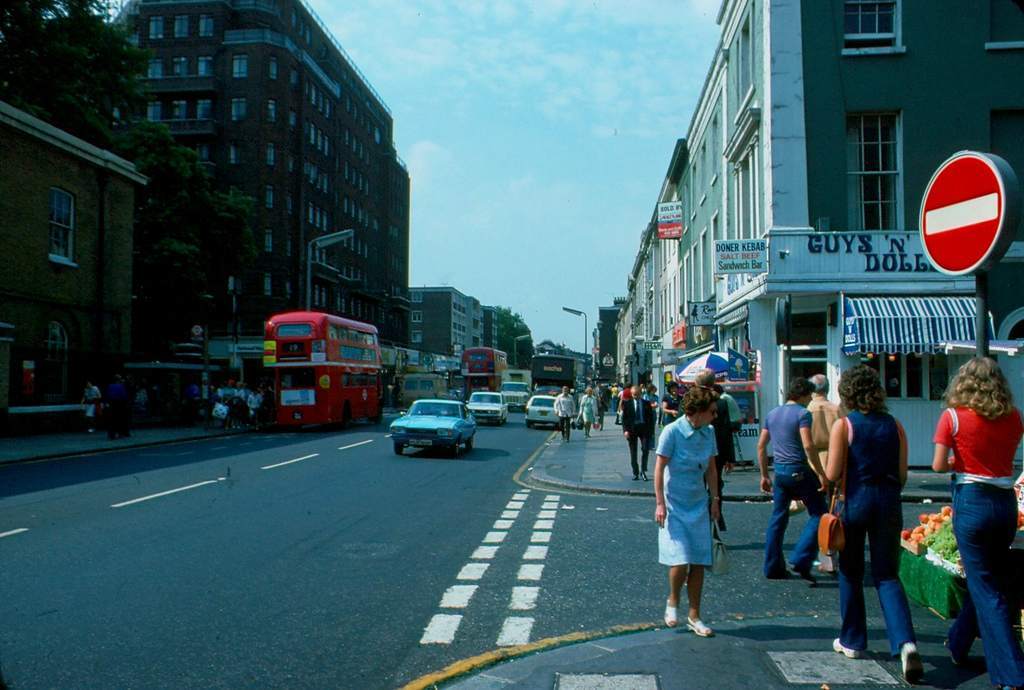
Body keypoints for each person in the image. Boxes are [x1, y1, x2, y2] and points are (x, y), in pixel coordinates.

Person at [824, 365, 922, 682]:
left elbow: (832, 473)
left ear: (847, 394)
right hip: (888, 502)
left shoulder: (845, 425)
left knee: (852, 571)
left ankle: (852, 639)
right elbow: (903, 474)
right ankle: (905, 643)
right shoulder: (895, 425)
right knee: (887, 575)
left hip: (855, 501)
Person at [931, 357, 1024, 688]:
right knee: (988, 579)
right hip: (1004, 503)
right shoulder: (1014, 417)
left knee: (987, 587)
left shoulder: (952, 417)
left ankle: (1012, 673)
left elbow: (939, 466)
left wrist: (961, 459)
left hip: (972, 501)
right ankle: (958, 642)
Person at [654, 384, 721, 638]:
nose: (715, 416)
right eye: (712, 411)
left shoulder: (709, 432)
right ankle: (673, 599)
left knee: (699, 562)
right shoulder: (672, 432)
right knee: (680, 560)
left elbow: (712, 470)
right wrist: (659, 503)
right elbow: (659, 468)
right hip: (674, 504)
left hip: (698, 503)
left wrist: (715, 500)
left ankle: (695, 615)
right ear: (699, 411)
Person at [758, 377, 826, 582]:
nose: (809, 400)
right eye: (809, 396)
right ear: (803, 395)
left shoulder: (772, 414)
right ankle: (801, 557)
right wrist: (821, 473)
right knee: (819, 513)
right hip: (799, 469)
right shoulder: (803, 414)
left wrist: (763, 475)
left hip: (780, 472)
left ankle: (772, 567)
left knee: (778, 518)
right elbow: (808, 444)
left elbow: (761, 446)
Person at [696, 371, 739, 531]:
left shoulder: (689, 401)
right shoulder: (720, 403)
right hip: (717, 451)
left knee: (698, 485)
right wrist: (730, 458)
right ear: (713, 382)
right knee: (715, 484)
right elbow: (726, 431)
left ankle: (702, 521)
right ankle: (715, 514)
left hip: (694, 451)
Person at [807, 374, 842, 468]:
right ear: (828, 389)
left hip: (811, 460)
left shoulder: (806, 410)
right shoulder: (837, 410)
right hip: (834, 459)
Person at [622, 383, 654, 480]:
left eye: (637, 394)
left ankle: (643, 471)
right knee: (633, 452)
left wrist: (651, 431)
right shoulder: (627, 404)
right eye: (633, 395)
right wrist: (625, 431)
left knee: (645, 449)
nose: (635, 397)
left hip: (643, 428)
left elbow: (650, 419)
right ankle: (635, 472)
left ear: (640, 393)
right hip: (632, 429)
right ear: (631, 394)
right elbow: (625, 419)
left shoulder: (646, 403)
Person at [104, 374, 131, 439]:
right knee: (120, 419)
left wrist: (106, 403)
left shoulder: (110, 386)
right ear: (119, 380)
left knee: (111, 420)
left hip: (112, 404)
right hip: (120, 404)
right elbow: (124, 396)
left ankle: (111, 434)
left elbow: (107, 395)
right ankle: (120, 434)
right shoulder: (122, 386)